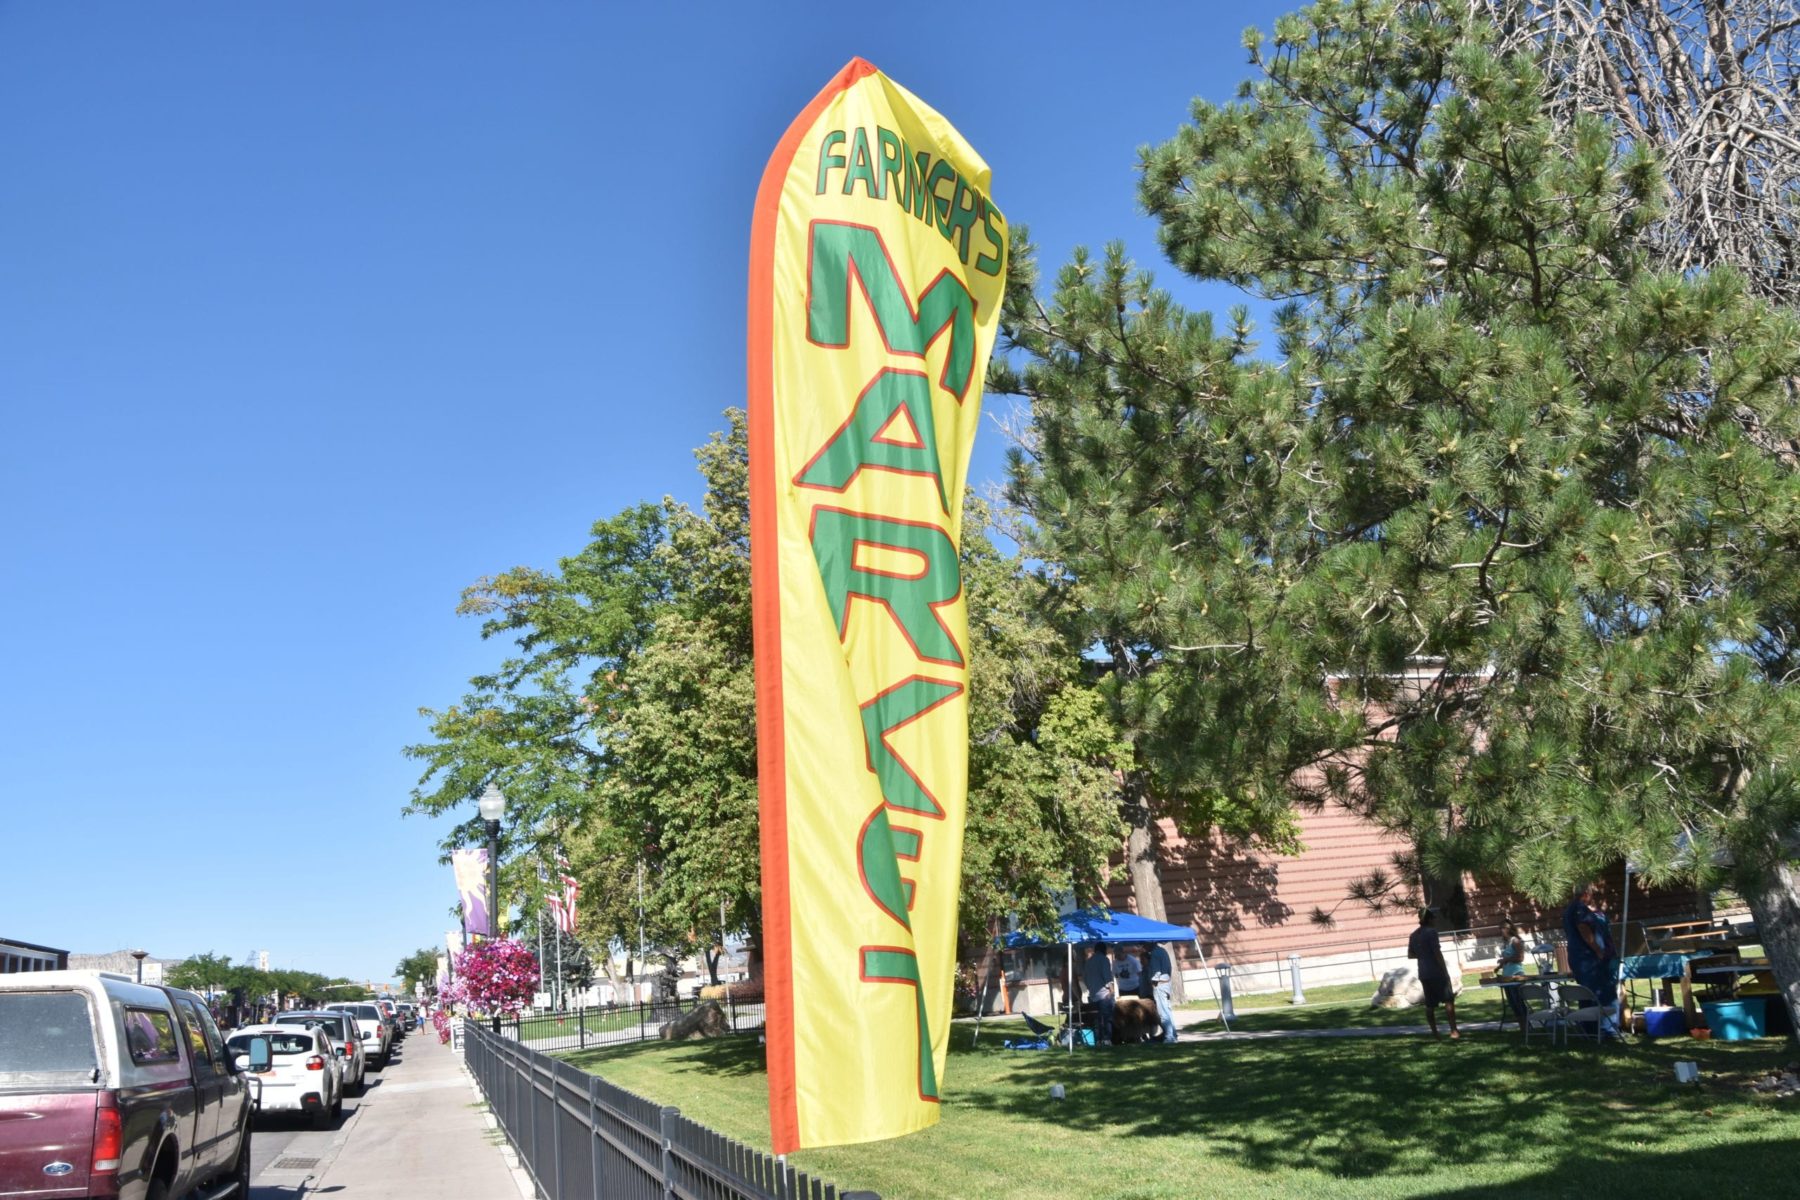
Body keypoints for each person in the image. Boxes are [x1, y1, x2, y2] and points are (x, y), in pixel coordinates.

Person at [1563, 882, 1620, 1035]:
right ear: (1586, 894)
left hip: (1578, 957)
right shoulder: (1580, 909)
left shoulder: (1570, 909)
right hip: (1589, 958)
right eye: (1591, 894)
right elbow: (1584, 929)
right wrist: (1598, 950)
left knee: (1586, 994)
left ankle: (1589, 1028)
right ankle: (1608, 1029)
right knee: (1604, 992)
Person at [1407, 908, 1460, 1039]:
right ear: (1429, 919)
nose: (1435, 920)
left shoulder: (1413, 935)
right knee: (1448, 1000)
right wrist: (1444, 970)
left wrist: (1422, 954)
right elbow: (1437, 953)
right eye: (1433, 918)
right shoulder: (1432, 932)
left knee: (1430, 1004)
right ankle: (1453, 1031)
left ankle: (1435, 1033)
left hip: (1423, 973)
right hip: (1436, 971)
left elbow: (1410, 954)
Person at [1495, 920, 1530, 1026]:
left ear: (1508, 929)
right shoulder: (1506, 943)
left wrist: (1505, 960)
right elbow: (1507, 958)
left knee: (1518, 1001)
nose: (1501, 931)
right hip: (1507, 976)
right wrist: (1499, 966)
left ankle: (1526, 1025)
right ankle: (1521, 1025)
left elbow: (1520, 957)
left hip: (1516, 974)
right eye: (1500, 928)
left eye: (1503, 928)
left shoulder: (1516, 941)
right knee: (1512, 1002)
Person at [1081, 944, 1115, 1047]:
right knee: (1107, 1018)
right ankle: (1107, 1040)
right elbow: (1107, 976)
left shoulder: (1088, 962)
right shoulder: (1104, 960)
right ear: (1104, 950)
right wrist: (1112, 991)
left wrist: (1091, 989)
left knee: (1096, 1019)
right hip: (1104, 994)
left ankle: (1098, 1040)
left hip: (1093, 995)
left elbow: (1085, 978)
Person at [1144, 941, 1178, 1043]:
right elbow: (1169, 968)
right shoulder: (1163, 951)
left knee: (1163, 1012)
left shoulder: (1154, 954)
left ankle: (1169, 1036)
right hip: (1166, 983)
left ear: (1150, 944)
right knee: (1168, 1010)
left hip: (1159, 984)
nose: (1144, 948)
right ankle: (1173, 1034)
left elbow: (1156, 972)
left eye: (1144, 945)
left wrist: (1153, 982)